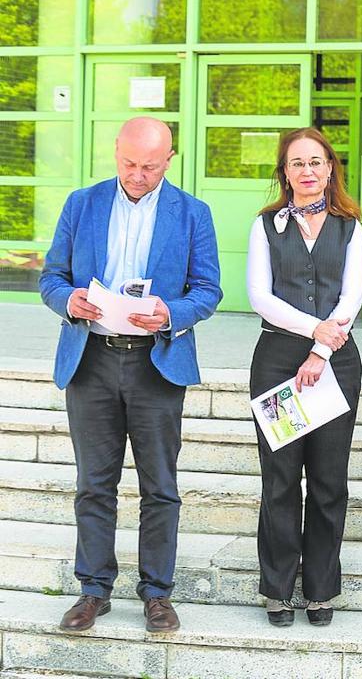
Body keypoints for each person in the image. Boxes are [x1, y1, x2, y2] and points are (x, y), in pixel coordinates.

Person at [39, 116, 222, 634]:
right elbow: (51, 276)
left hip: (156, 364)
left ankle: (157, 594)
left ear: (169, 160)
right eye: (128, 163)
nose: (137, 174)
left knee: (160, 486)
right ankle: (92, 590)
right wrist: (68, 300)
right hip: (90, 360)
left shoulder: (193, 213)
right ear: (115, 153)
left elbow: (208, 290)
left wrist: (171, 314)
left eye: (149, 166)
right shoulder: (83, 203)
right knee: (93, 484)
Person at [245, 127, 362, 627]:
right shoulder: (265, 225)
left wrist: (320, 347)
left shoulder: (350, 226)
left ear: (330, 168)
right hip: (276, 360)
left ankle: (319, 589)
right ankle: (277, 587)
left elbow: (351, 296)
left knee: (328, 480)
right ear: (285, 171)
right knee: (279, 479)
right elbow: (260, 295)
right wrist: (313, 331)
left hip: (335, 362)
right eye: (297, 163)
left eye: (316, 161)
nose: (308, 171)